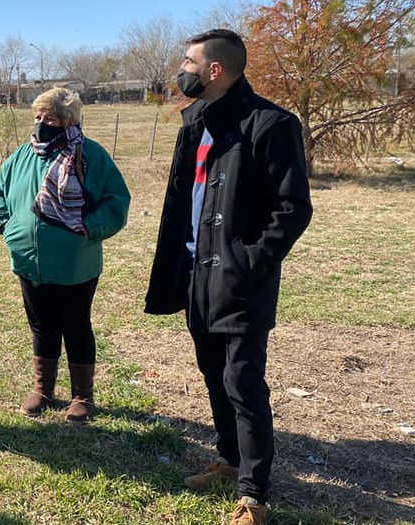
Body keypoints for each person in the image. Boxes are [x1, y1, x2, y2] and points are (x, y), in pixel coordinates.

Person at [144, 29, 313, 525]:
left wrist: (249, 262)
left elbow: (293, 208)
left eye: (189, 62)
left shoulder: (271, 124)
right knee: (213, 376)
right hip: (197, 277)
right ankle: (228, 458)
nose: (183, 69)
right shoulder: (195, 122)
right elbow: (184, 203)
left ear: (213, 70)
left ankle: (254, 496)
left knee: (243, 383)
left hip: (240, 283)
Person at [0, 88, 131, 423]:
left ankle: (83, 395)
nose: (42, 123)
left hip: (74, 263)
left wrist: (92, 226)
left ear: (68, 121)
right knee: (42, 326)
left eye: (49, 118)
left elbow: (117, 200)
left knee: (76, 326)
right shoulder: (24, 155)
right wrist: (3, 222)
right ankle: (43, 389)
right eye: (38, 116)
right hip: (28, 261)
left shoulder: (91, 155)